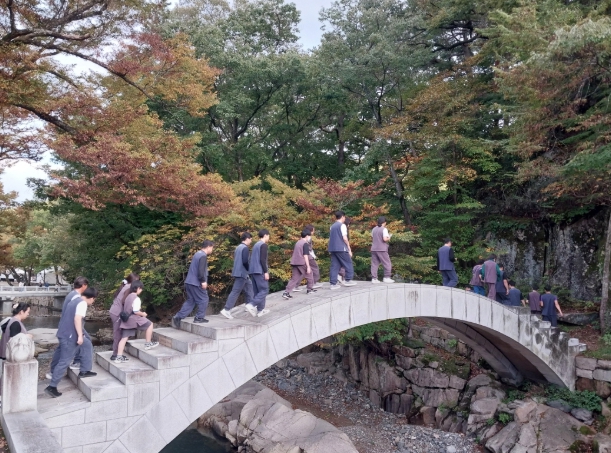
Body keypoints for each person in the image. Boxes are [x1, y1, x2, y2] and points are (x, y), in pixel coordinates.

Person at [45, 287, 99, 398]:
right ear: (92, 298)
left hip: (65, 333)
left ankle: (85, 370)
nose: (93, 302)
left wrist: (82, 335)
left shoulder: (75, 299)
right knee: (65, 361)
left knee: (87, 344)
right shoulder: (82, 303)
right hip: (69, 336)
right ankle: (52, 386)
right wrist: (80, 335)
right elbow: (77, 319)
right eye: (94, 300)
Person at [48, 276, 89, 377]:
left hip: (64, 326)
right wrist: (80, 333)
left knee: (61, 349)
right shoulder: (77, 298)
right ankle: (76, 362)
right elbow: (76, 317)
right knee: (82, 342)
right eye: (86, 286)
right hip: (69, 327)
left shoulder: (71, 294)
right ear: (83, 285)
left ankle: (53, 370)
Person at [172, 240, 215, 328]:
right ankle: (199, 318)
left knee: (191, 301)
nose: (212, 250)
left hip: (189, 282)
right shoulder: (203, 256)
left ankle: (178, 317)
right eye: (212, 248)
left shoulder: (197, 254)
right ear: (208, 247)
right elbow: (200, 271)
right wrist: (203, 281)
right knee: (204, 299)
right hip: (196, 283)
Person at [115, 281, 159, 362]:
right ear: (138, 288)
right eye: (141, 289)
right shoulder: (136, 298)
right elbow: (135, 311)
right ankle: (148, 343)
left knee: (124, 338)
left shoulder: (128, 296)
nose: (141, 291)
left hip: (126, 320)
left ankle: (119, 357)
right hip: (134, 319)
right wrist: (143, 314)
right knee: (150, 324)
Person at [221, 233, 254, 319]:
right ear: (247, 239)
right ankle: (226, 309)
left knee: (249, 287)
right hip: (242, 273)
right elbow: (245, 261)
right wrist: (249, 269)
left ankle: (249, 305)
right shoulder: (245, 248)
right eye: (251, 239)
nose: (251, 241)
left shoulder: (238, 247)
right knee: (235, 291)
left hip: (239, 272)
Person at [109, 273, 140, 360]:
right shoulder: (129, 288)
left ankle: (117, 352)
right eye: (137, 280)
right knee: (118, 333)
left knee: (119, 332)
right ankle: (115, 355)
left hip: (114, 311)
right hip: (117, 313)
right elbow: (124, 301)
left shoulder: (126, 286)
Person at [244, 229, 271, 317]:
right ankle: (251, 304)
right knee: (264, 290)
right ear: (265, 235)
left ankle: (260, 310)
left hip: (253, 271)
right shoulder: (263, 245)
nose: (269, 237)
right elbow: (262, 259)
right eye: (268, 236)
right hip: (260, 271)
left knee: (258, 291)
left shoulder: (256, 245)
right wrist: (266, 272)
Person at [283, 230, 315, 299]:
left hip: (294, 262)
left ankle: (286, 292)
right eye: (309, 236)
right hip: (301, 262)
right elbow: (305, 255)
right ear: (307, 236)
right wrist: (308, 266)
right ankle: (309, 289)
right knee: (309, 274)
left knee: (294, 278)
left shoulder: (298, 242)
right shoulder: (305, 244)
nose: (310, 237)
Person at [329, 211, 357, 290]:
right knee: (348, 263)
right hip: (341, 248)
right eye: (344, 217)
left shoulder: (332, 226)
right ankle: (348, 280)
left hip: (332, 248)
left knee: (334, 266)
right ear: (342, 217)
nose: (344, 218)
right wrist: (349, 248)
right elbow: (344, 238)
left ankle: (333, 283)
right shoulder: (342, 225)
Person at [294, 225, 322, 291]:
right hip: (308, 256)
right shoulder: (308, 238)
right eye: (313, 230)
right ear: (311, 231)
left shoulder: (302, 237)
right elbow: (308, 248)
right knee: (315, 268)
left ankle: (295, 285)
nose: (313, 232)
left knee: (303, 271)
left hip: (302, 256)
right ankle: (313, 283)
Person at [371, 216, 394, 283]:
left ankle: (374, 278)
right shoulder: (384, 229)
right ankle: (387, 277)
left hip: (374, 248)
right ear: (384, 222)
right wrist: (389, 237)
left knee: (374, 264)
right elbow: (384, 239)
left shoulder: (374, 229)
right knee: (387, 263)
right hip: (382, 249)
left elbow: (372, 237)